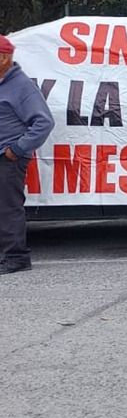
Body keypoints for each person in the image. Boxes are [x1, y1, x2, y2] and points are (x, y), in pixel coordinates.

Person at [0, 34, 56, 274]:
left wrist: (16, 150)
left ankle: (16, 257)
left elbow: (44, 123)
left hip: (7, 157)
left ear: (4, 58)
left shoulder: (21, 86)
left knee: (8, 207)